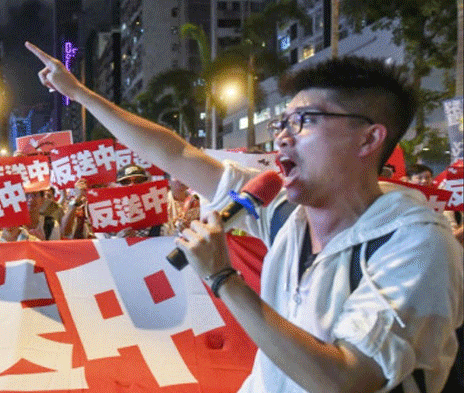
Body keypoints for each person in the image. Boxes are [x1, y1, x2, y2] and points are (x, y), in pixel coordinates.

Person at [26, 42, 463, 393]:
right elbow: (177, 153)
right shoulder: (282, 213)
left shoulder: (414, 245)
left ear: (370, 138)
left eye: (305, 121)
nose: (284, 138)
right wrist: (80, 93)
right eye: (282, 123)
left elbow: (347, 380)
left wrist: (222, 280)